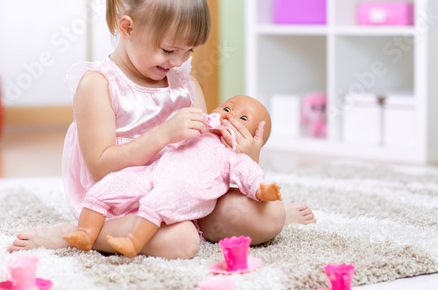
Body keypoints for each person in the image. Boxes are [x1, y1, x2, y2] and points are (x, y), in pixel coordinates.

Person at [7, 0, 315, 259]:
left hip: (181, 193)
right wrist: (163, 134)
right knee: (182, 242)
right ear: (127, 27)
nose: (179, 61)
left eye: (188, 50)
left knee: (271, 215)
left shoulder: (185, 84)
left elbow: (206, 155)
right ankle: (75, 232)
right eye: (169, 50)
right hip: (121, 201)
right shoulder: (98, 85)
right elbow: (101, 167)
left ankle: (195, 220)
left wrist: (246, 156)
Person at [63, 95, 282, 257]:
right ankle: (84, 232)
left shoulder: (231, 157)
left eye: (243, 118)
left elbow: (247, 173)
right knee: (113, 185)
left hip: (182, 188)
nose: (230, 115)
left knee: (163, 204)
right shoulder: (196, 133)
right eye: (227, 107)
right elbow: (166, 146)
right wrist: (173, 131)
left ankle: (133, 241)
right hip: (152, 171)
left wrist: (260, 186)